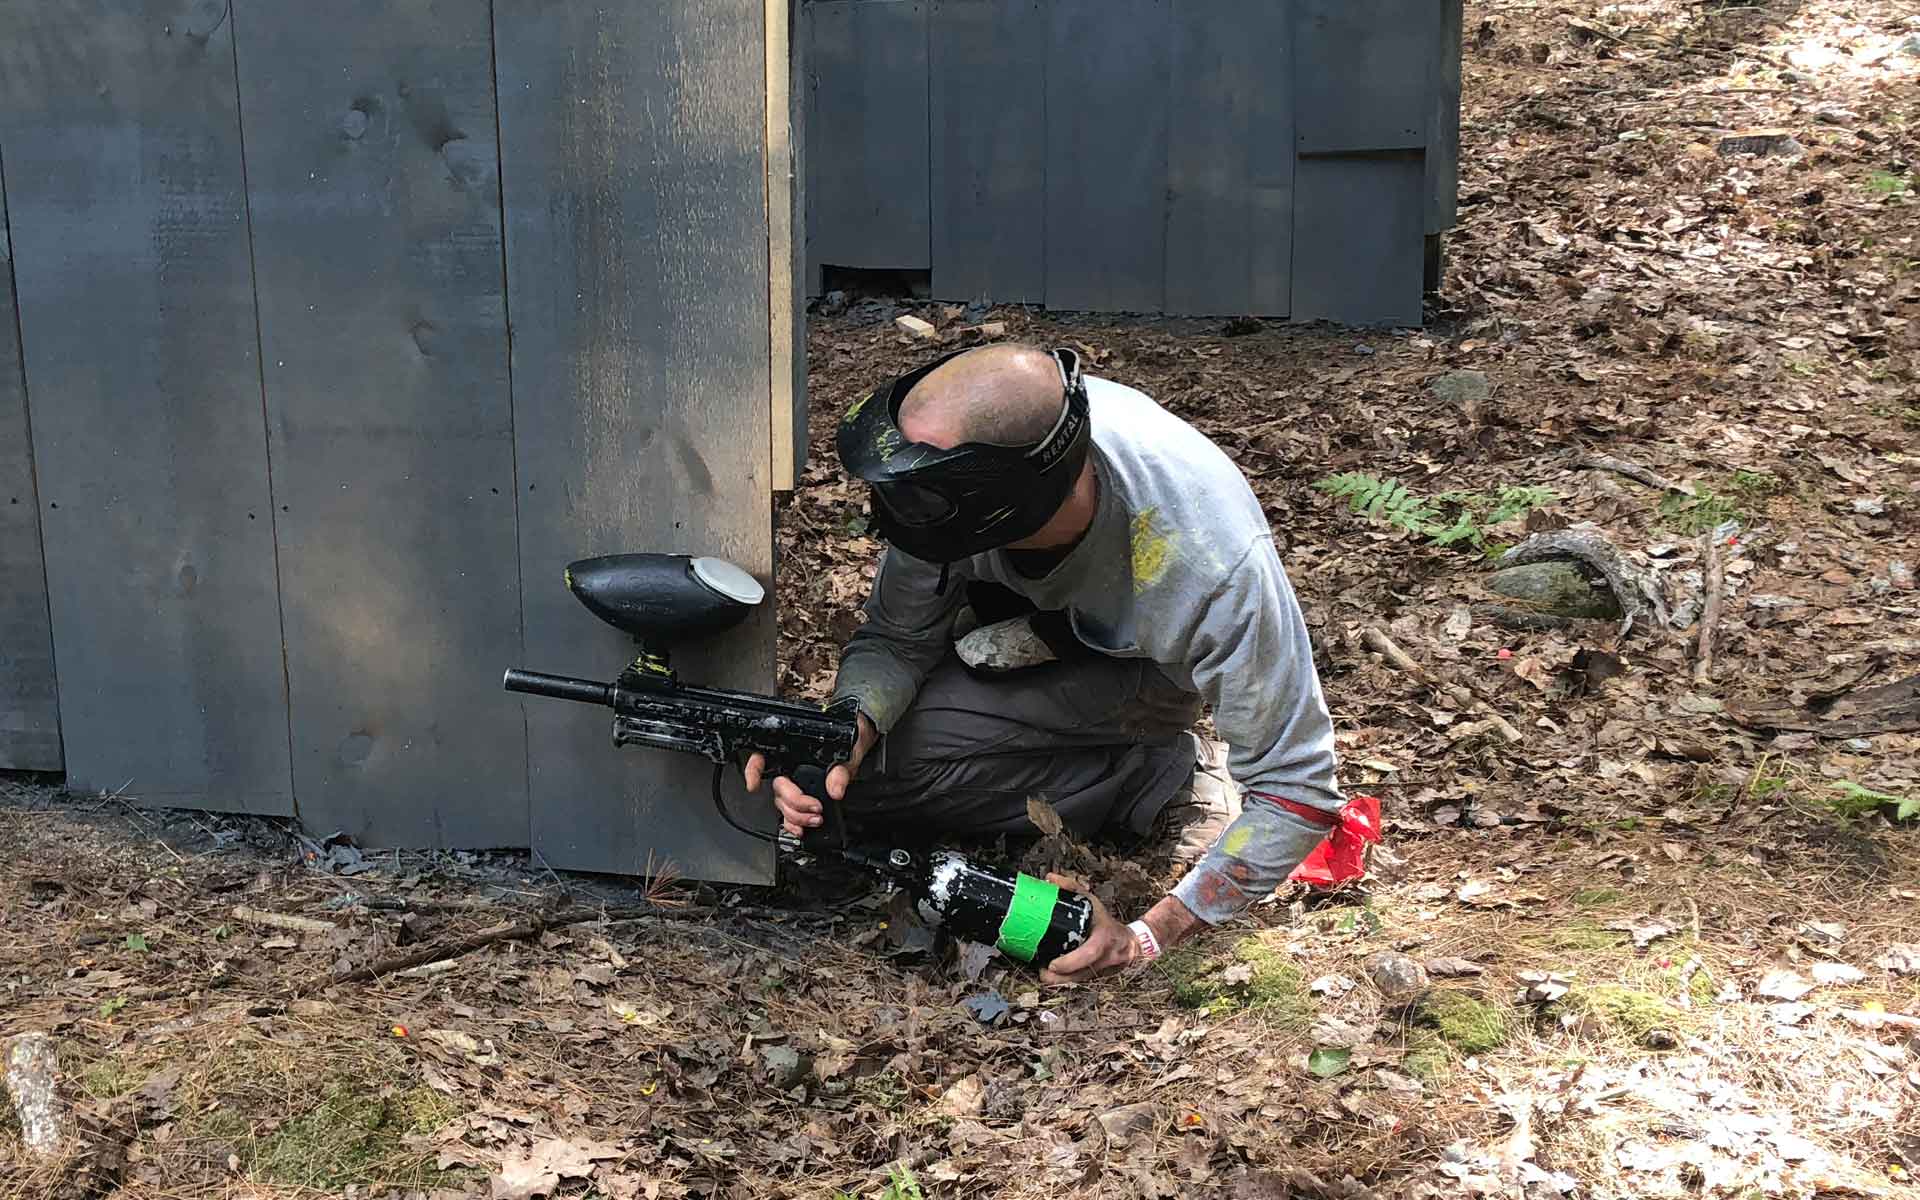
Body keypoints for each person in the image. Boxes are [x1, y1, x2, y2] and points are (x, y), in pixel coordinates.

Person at [745, 342, 1361, 984]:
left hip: (1139, 668)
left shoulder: (1209, 565)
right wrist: (843, 733)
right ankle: (1098, 770)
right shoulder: (953, 485)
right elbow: (898, 637)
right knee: (866, 779)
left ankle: (1164, 774)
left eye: (917, 497)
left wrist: (1149, 937)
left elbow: (1297, 789)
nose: (898, 510)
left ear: (1003, 498)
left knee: (908, 764)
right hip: (1021, 628)